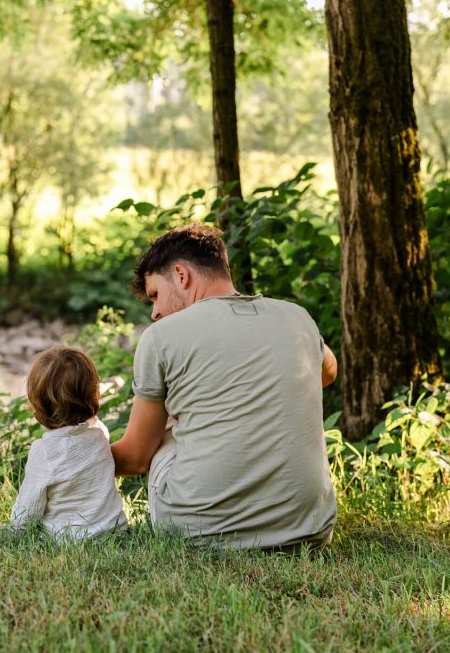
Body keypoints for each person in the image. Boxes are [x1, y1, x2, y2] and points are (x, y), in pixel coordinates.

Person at [111, 223, 338, 551]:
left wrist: (71, 452)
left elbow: (135, 459)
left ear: (181, 274)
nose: (155, 311)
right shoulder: (297, 318)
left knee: (167, 426)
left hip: (198, 534)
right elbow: (327, 373)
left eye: (155, 295)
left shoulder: (162, 337)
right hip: (308, 531)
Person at [0, 345, 128, 540]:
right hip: (115, 532)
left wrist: (10, 532)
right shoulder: (100, 434)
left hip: (69, 539)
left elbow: (28, 513)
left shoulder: (44, 451)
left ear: (37, 402)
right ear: (93, 395)